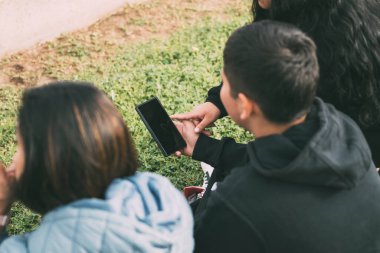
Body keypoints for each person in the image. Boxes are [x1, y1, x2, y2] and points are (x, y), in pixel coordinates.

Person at [175, 21, 380, 252]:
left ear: (244, 104)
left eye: (224, 83)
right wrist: (205, 148)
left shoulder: (235, 203)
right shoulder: (342, 126)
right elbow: (280, 164)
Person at [172, 0, 380, 167]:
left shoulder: (334, 61)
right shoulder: (290, 10)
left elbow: (293, 162)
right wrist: (217, 102)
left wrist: (207, 149)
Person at [0, 82, 194, 252]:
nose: (13, 158)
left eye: (20, 146)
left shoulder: (49, 246)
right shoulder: (161, 199)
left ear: (48, 166)